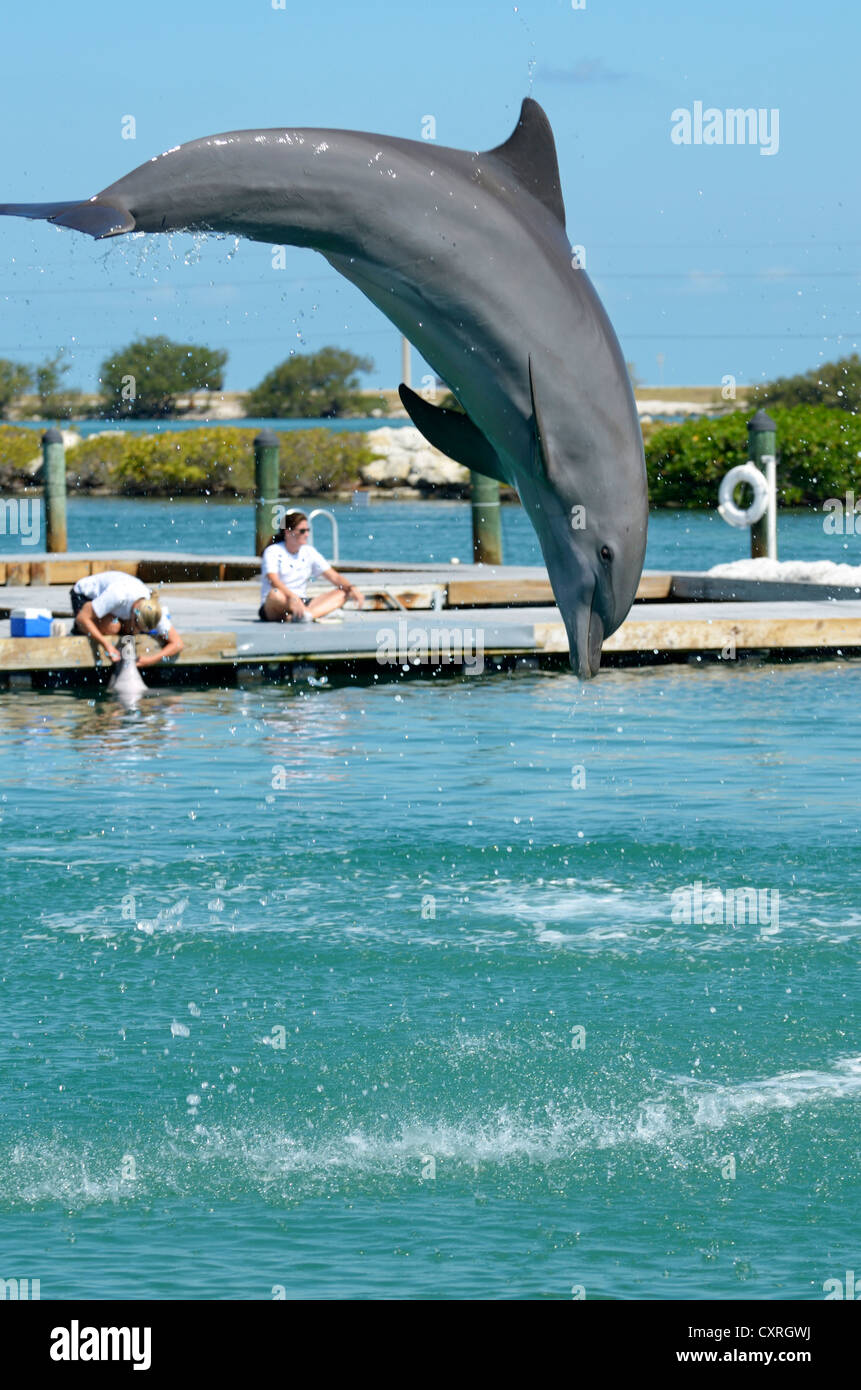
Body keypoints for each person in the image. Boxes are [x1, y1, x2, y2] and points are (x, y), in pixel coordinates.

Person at [259, 511, 364, 622]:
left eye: (308, 530)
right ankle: (314, 613)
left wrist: (352, 588)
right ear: (288, 532)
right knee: (275, 594)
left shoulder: (309, 551)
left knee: (343, 592)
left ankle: (306, 615)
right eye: (302, 531)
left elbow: (334, 577)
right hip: (279, 602)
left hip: (302, 601)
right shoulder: (273, 551)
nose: (307, 534)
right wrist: (292, 597)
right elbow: (273, 580)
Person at [70, 571, 184, 666]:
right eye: (138, 627)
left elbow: (178, 644)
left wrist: (151, 660)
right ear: (134, 613)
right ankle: (78, 630)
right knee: (112, 627)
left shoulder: (153, 609)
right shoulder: (118, 596)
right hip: (83, 594)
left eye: (143, 630)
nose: (138, 632)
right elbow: (82, 618)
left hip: (118, 606)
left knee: (128, 630)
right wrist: (106, 644)